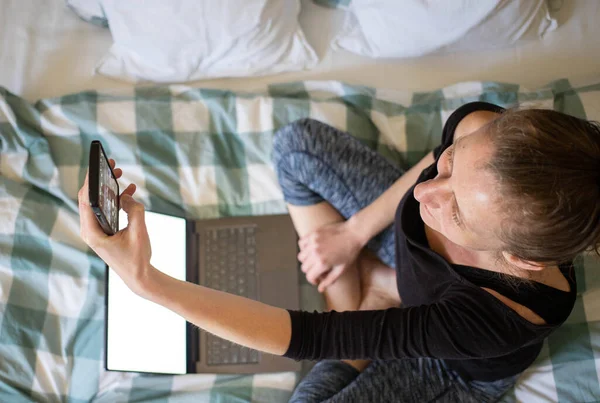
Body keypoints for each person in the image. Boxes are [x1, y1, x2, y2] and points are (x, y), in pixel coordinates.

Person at [78, 102, 600, 402]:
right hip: (409, 276)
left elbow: (308, 337)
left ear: (521, 260)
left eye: (456, 212)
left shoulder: (493, 319)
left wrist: (146, 282)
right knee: (296, 146)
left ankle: (368, 302)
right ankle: (371, 290)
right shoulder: (486, 131)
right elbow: (435, 177)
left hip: (451, 364)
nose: (422, 193)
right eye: (448, 163)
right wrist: (352, 235)